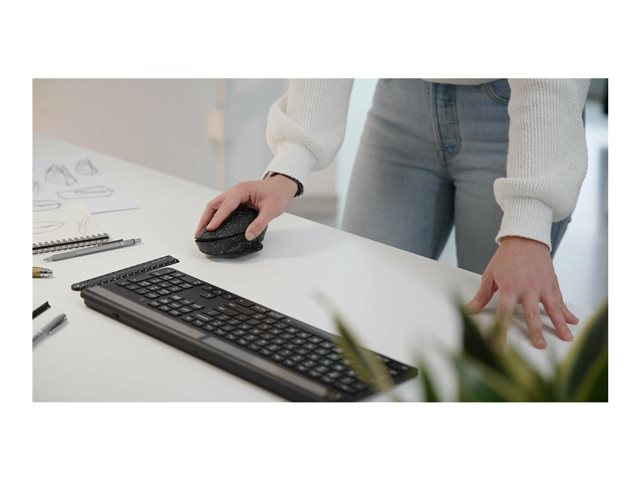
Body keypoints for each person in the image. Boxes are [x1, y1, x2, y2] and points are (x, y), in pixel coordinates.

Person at [196, 79, 590, 349]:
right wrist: (288, 166)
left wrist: (529, 220)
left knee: (494, 338)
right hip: (400, 103)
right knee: (360, 319)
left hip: (519, 114)